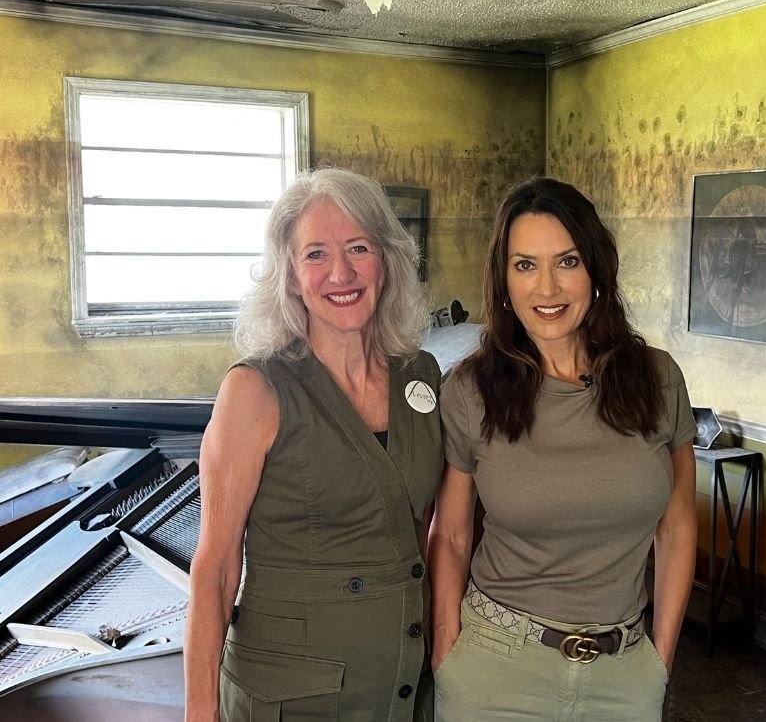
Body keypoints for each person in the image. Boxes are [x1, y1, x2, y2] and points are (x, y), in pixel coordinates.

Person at [428, 177, 697, 721]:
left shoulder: (657, 380)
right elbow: (452, 536)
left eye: (567, 261)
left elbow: (677, 529)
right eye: (525, 265)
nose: (547, 288)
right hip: (492, 670)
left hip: (624, 675)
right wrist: (445, 653)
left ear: (595, 270)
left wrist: (659, 661)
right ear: (503, 281)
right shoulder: (468, 390)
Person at [184, 168, 443, 722]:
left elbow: (422, 528)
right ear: (290, 275)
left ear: (387, 259)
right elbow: (217, 564)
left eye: (358, 248)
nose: (341, 273)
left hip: (400, 682)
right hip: (290, 697)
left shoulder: (421, 375)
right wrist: (199, 714)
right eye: (316, 255)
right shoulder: (255, 390)